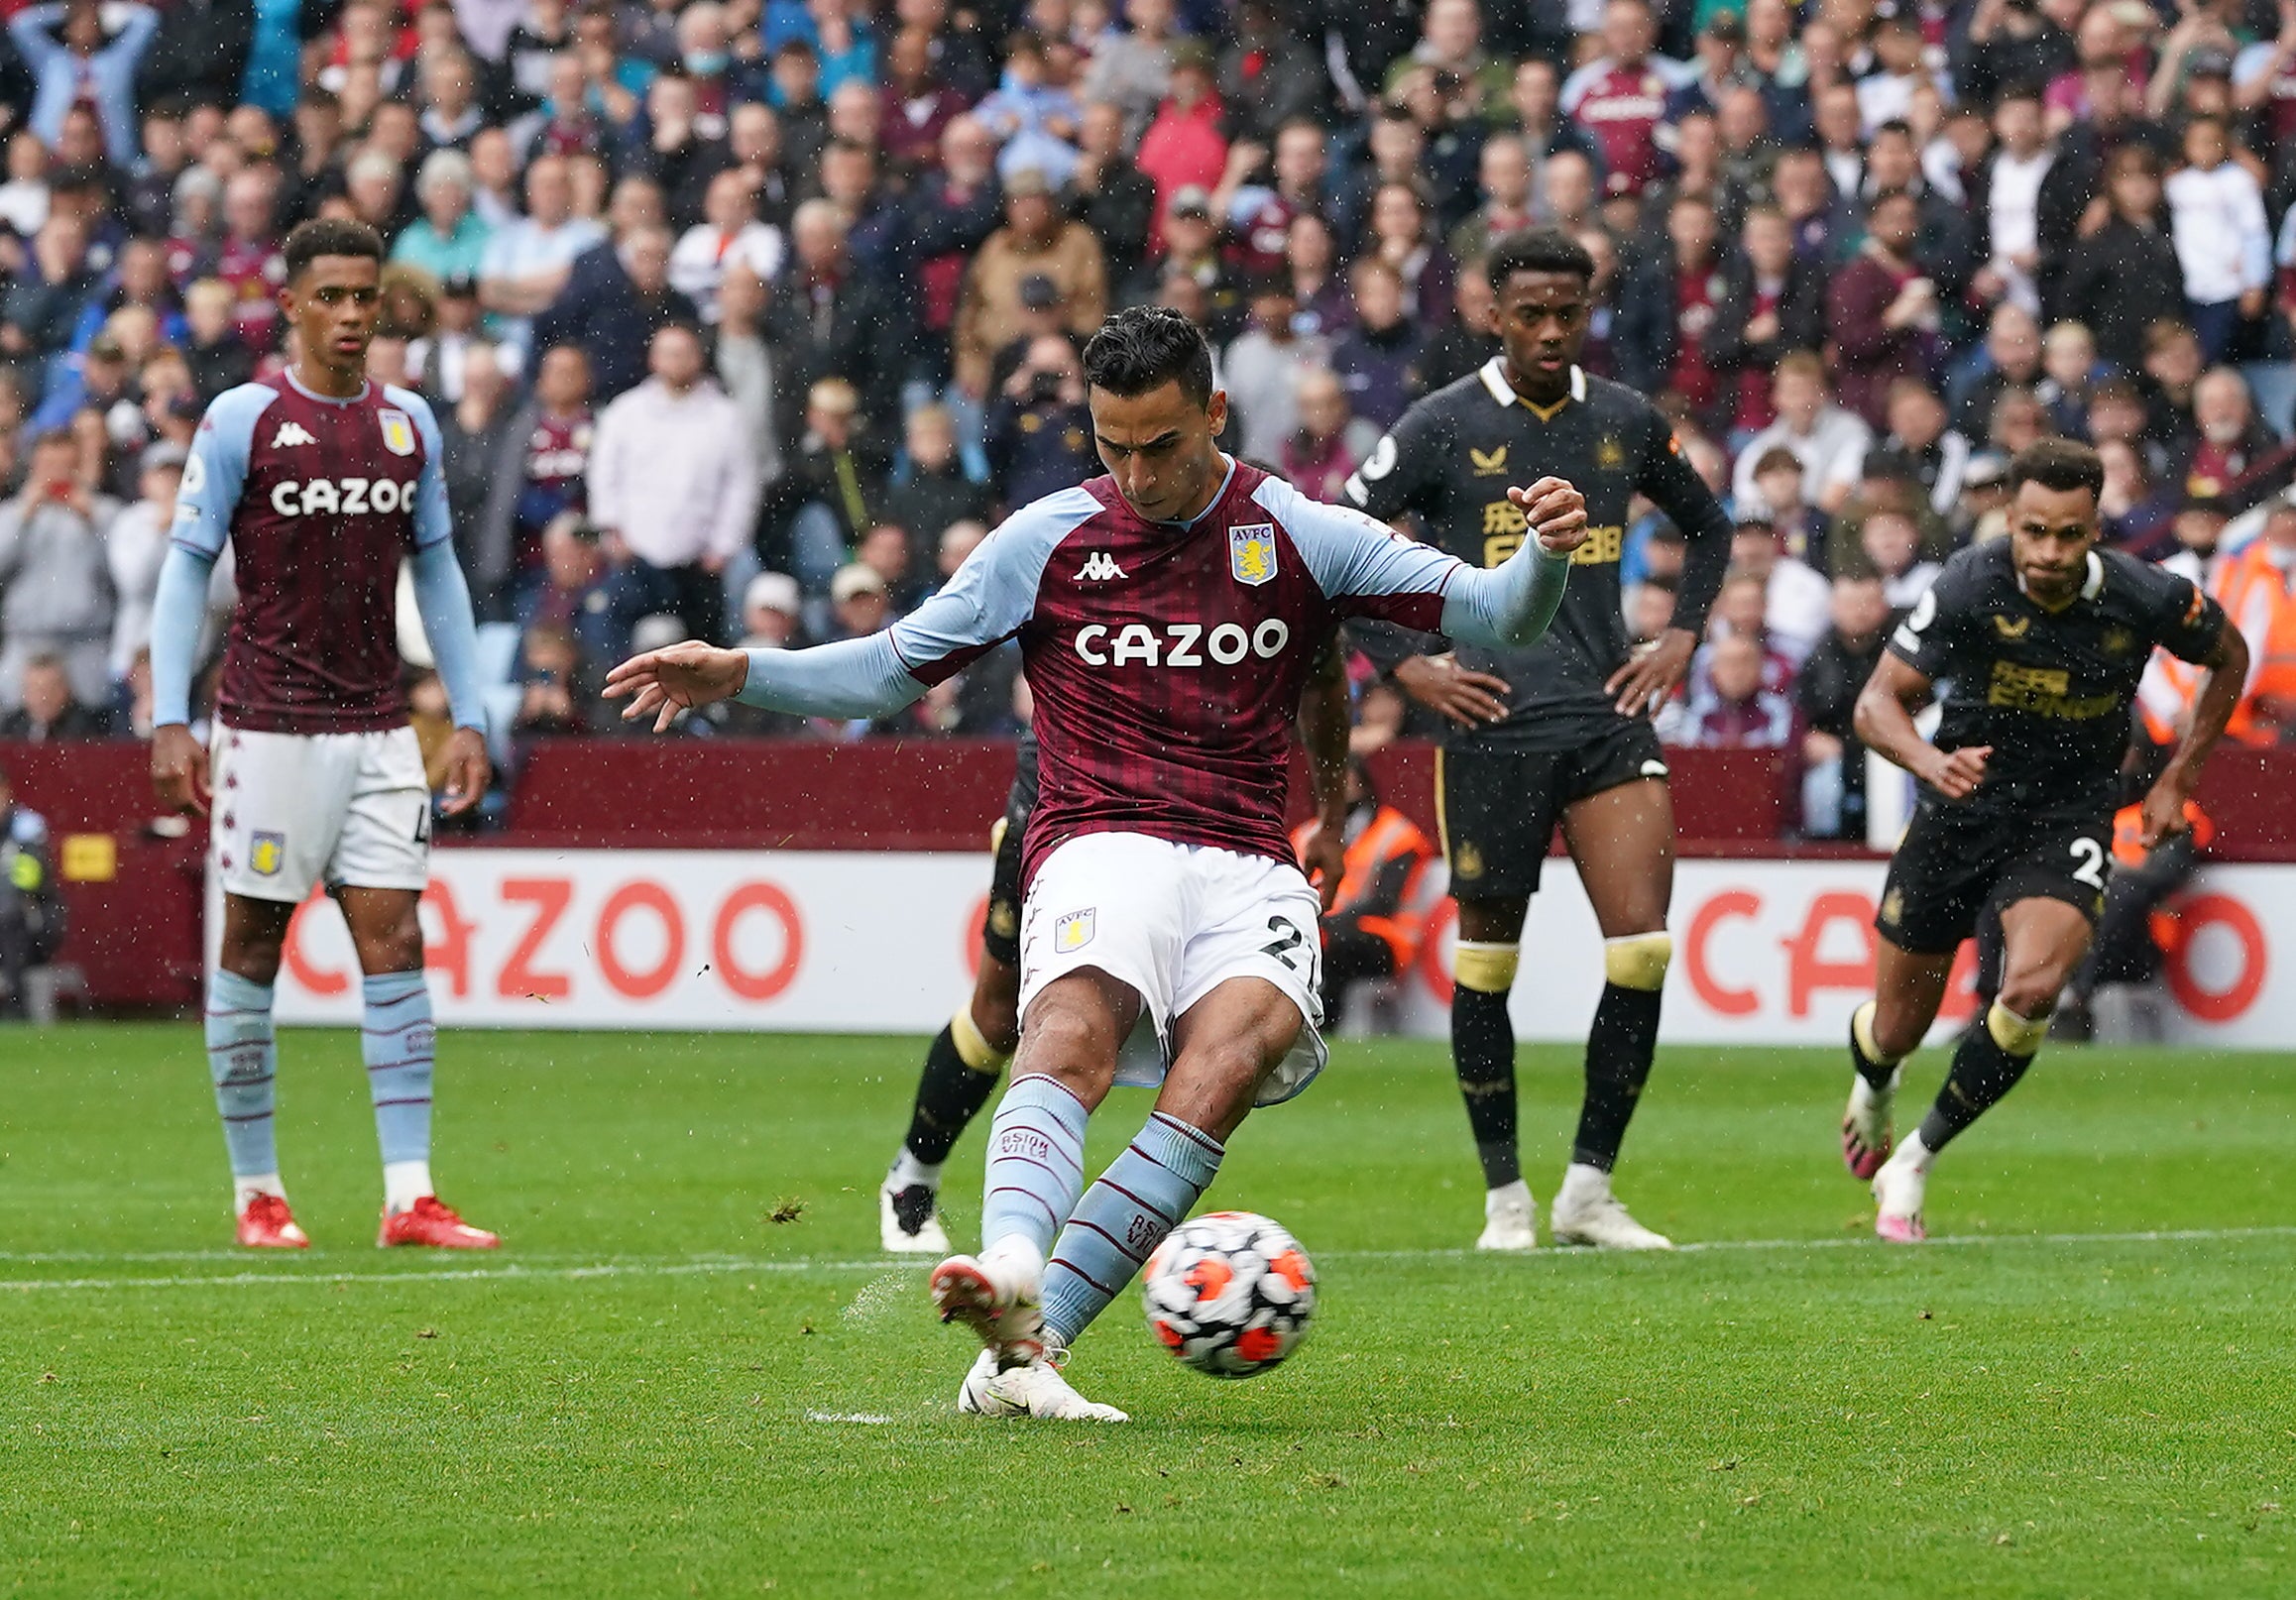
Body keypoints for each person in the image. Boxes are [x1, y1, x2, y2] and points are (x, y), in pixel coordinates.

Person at [604, 304, 1589, 1421]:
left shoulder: (1304, 531)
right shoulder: (1046, 539)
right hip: (1096, 835)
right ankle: (1015, 1263)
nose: (1137, 473)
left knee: (1223, 1073)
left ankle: (1025, 1357)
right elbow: (889, 671)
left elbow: (1499, 617)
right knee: (1069, 1031)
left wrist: (1546, 553)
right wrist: (741, 672)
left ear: (1215, 412)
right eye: (1112, 446)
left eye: (1161, 446)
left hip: (1248, 861)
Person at [1344, 227, 1734, 1253]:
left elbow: (1712, 524)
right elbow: (1335, 541)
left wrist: (1683, 636)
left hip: (1605, 715)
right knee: (1488, 965)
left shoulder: (1623, 418)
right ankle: (1506, 1200)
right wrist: (1404, 660)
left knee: (1644, 949)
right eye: (1533, 313)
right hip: (1491, 724)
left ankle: (1589, 1192)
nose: (1553, 330)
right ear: (1493, 314)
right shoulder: (1440, 426)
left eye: (1570, 311)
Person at [146, 217, 500, 1253]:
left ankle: (410, 1195)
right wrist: (172, 717)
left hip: (384, 727)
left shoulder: (410, 427)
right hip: (267, 728)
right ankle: (258, 1189)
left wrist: (469, 714)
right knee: (253, 942)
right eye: (333, 297)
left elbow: (437, 572)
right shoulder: (241, 421)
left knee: (397, 939)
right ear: (293, 304)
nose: (353, 315)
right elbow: (184, 572)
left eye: (366, 296)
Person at [1842, 439, 2247, 1241]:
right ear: (2010, 523)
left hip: (2068, 816)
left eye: (2068, 534)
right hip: (1961, 810)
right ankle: (1877, 1081)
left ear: (2096, 528)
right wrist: (1927, 757)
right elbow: (1874, 705)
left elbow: (2229, 656)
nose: (2049, 552)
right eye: (2034, 532)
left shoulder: (2146, 595)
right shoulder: (1968, 584)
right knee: (1895, 1029)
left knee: (2029, 993)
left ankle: (1916, 1158)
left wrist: (2179, 779)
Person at [0, 759, 67, 1020]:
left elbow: (28, 880)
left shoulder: (27, 827)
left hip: (36, 920)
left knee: (9, 914)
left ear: (7, 792)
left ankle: (17, 1005)